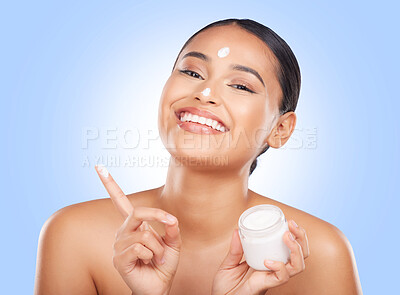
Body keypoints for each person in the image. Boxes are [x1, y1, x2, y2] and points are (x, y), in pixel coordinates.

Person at [34, 18, 362, 294]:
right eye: (192, 73)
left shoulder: (318, 254)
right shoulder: (74, 236)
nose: (204, 93)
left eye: (241, 86)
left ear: (280, 129)